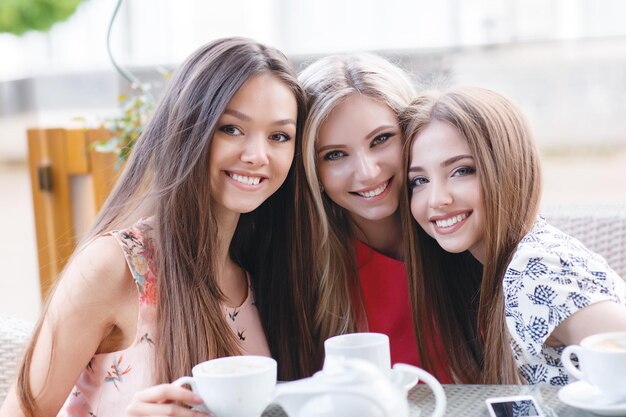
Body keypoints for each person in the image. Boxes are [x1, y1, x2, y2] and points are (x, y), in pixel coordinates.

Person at [0, 37, 318, 417]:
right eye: (231, 128)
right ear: (189, 129)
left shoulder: (266, 270)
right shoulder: (115, 267)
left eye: (279, 136)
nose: (256, 155)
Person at [401, 86, 626, 385]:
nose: (436, 199)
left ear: (508, 167)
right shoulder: (494, 265)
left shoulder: (534, 269)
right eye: (420, 180)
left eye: (461, 171)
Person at [298, 53, 451, 382]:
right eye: (335, 154)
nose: (367, 173)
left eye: (381, 139)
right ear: (312, 170)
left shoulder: (459, 226)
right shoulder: (302, 264)